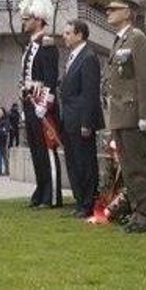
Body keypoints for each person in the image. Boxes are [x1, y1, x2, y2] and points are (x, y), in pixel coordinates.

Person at [104, 0, 146, 234]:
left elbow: (145, 79)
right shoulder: (119, 41)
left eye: (113, 9)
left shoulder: (136, 38)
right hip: (119, 113)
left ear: (128, 13)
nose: (108, 12)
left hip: (133, 113)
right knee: (128, 168)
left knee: (138, 167)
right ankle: (137, 213)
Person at [17, 0, 63, 208]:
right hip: (30, 103)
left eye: (27, 18)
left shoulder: (46, 44)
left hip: (42, 106)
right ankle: (41, 189)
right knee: (36, 150)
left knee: (47, 149)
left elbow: (50, 79)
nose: (24, 22)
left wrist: (45, 104)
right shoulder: (32, 45)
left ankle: (52, 195)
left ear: (38, 19)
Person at [58, 19, 104, 218]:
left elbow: (90, 93)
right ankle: (79, 202)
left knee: (84, 163)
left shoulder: (88, 57)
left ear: (79, 34)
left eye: (68, 33)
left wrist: (87, 122)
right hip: (69, 119)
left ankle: (88, 203)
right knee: (73, 162)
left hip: (81, 120)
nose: (64, 36)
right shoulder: (73, 56)